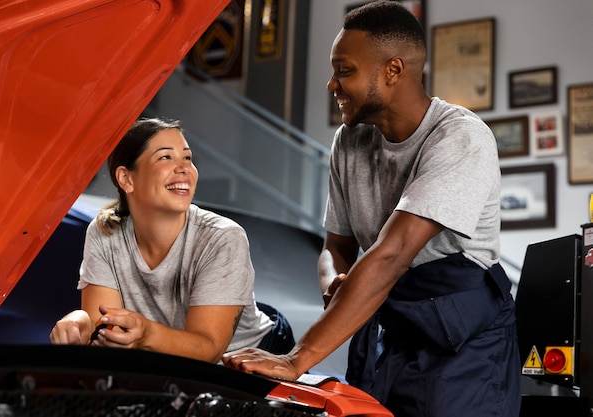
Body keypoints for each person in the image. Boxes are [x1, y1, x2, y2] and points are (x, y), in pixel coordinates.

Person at [222, 2, 520, 416]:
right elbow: (336, 245)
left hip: (463, 341)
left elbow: (393, 253)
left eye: (344, 71)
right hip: (391, 327)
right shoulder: (349, 142)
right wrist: (333, 282)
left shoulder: (460, 137)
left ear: (393, 71)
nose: (332, 84)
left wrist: (296, 359)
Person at [50, 117, 294, 363]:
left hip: (248, 353)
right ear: (126, 179)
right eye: (166, 157)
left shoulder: (223, 236)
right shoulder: (104, 232)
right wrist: (81, 322)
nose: (184, 168)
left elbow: (208, 348)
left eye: (187, 157)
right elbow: (106, 332)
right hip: (162, 353)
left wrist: (146, 333)